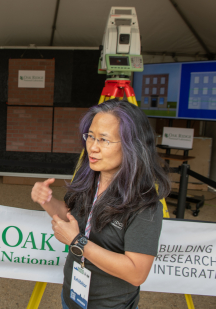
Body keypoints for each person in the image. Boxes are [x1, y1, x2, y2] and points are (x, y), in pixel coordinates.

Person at [31, 99, 170, 309]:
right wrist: (48, 201)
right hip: (71, 298)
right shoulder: (88, 181)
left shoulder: (144, 204)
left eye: (104, 140)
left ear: (132, 146)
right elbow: (70, 216)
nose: (92, 147)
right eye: (91, 137)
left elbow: (136, 273)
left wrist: (78, 242)